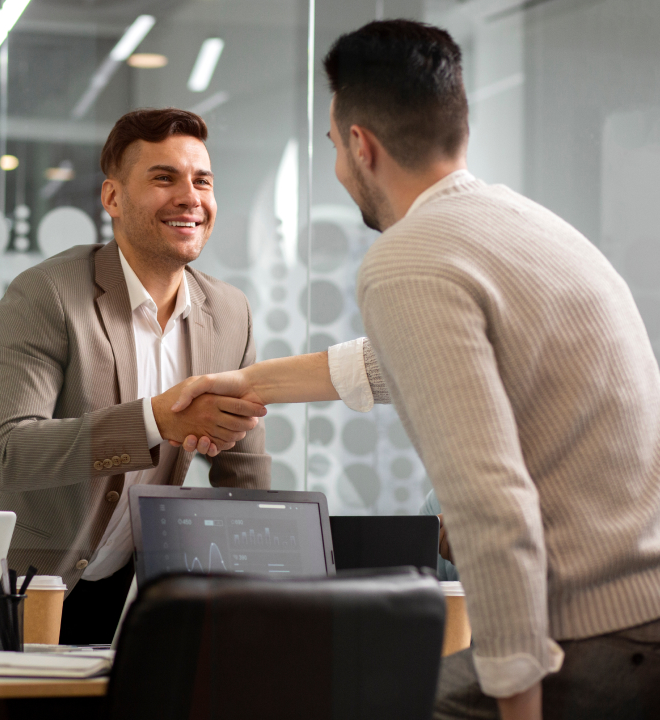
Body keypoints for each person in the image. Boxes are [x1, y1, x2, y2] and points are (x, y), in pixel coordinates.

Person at [170, 20, 660, 720]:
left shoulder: (410, 259)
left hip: (587, 640)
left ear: (362, 146)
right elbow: (402, 364)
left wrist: (515, 699)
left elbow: (489, 498)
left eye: (335, 147)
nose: (339, 168)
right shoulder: (526, 227)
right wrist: (249, 385)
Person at [0, 108, 382, 644]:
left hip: (111, 585)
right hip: (7, 583)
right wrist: (156, 419)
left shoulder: (229, 311)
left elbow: (242, 471)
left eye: (202, 180)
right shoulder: (49, 294)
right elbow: (9, 451)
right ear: (112, 198)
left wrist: (261, 602)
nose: (190, 197)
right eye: (163, 178)